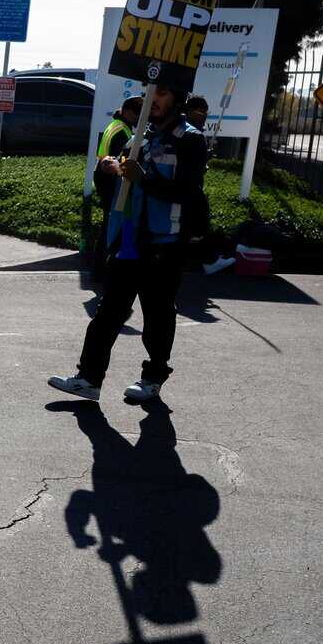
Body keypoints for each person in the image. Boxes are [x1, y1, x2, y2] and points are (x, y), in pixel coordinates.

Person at [50, 83, 206, 404]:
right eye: (150, 94)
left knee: (158, 315)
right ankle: (89, 379)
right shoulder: (142, 136)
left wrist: (142, 177)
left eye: (163, 93)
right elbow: (117, 181)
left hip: (164, 244)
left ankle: (153, 378)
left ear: (177, 98)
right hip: (129, 241)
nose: (155, 100)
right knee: (108, 314)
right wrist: (107, 169)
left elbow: (187, 192)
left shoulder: (190, 139)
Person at [91, 95, 143, 272]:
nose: (139, 118)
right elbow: (118, 162)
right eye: (137, 114)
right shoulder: (122, 131)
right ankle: (101, 268)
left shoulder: (117, 125)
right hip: (109, 180)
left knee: (108, 223)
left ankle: (99, 268)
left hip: (102, 177)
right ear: (127, 111)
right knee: (110, 225)